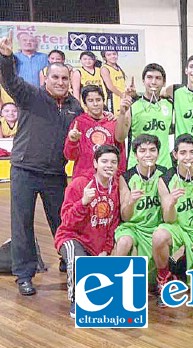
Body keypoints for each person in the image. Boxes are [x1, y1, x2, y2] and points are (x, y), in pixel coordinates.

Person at [0, 30, 83, 296]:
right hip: (24, 170)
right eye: (55, 77)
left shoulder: (74, 107)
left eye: (64, 78)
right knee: (22, 224)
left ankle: (66, 259)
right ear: (45, 78)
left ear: (70, 81)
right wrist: (5, 57)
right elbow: (10, 79)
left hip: (56, 173)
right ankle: (24, 274)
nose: (60, 82)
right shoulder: (30, 95)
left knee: (63, 221)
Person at [54, 145, 121, 318]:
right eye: (104, 161)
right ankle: (76, 299)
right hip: (71, 236)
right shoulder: (80, 184)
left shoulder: (116, 189)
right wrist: (83, 202)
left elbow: (113, 224)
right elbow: (66, 221)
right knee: (77, 258)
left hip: (96, 244)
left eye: (113, 162)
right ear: (95, 163)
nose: (109, 165)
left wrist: (106, 249)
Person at [152, 134, 193, 307]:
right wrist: (170, 203)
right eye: (183, 153)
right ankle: (163, 278)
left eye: (192, 152)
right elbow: (168, 219)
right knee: (159, 236)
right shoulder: (165, 179)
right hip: (178, 227)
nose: (188, 157)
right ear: (175, 155)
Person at [115, 134, 166, 282]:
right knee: (124, 242)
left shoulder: (165, 174)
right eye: (142, 150)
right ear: (135, 155)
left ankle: (161, 277)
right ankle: (113, 283)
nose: (148, 154)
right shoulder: (126, 177)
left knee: (146, 282)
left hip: (155, 228)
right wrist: (130, 201)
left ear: (158, 153)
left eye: (152, 150)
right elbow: (125, 217)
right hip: (133, 226)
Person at [116, 63, 173, 169]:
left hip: (164, 166)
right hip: (138, 168)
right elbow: (119, 137)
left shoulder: (170, 105)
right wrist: (122, 113)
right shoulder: (133, 106)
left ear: (164, 82)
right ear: (143, 81)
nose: (153, 82)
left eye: (158, 78)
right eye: (149, 77)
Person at [64, 85, 126, 178]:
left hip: (108, 179)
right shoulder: (79, 123)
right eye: (90, 101)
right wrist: (72, 141)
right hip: (83, 178)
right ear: (85, 103)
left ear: (103, 101)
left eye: (98, 100)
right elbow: (70, 156)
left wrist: (119, 175)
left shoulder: (113, 122)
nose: (95, 104)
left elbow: (121, 151)